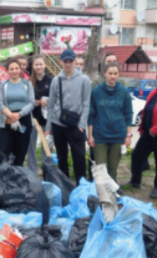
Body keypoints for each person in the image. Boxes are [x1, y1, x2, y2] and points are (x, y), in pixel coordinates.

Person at [127, 69, 157, 200]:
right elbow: (147, 111)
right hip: (148, 132)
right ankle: (135, 181)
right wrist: (142, 126)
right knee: (137, 155)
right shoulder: (154, 93)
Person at [46, 50, 92, 182]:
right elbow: (51, 104)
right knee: (61, 157)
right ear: (61, 62)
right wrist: (48, 127)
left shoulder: (84, 80)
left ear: (75, 61)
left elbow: (86, 104)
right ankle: (64, 185)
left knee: (79, 157)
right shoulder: (56, 80)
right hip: (58, 123)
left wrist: (82, 125)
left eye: (70, 61)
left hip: (76, 125)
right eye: (65, 61)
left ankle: (81, 185)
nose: (68, 64)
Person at [87, 62, 133, 182]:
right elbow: (91, 115)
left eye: (115, 73)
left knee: (112, 168)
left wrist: (128, 135)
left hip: (118, 136)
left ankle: (112, 194)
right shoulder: (96, 92)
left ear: (118, 75)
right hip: (100, 136)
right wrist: (90, 135)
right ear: (105, 74)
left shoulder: (124, 92)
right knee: (101, 168)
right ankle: (101, 193)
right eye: (110, 73)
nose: (113, 76)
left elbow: (129, 114)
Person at [0, 58, 35, 166]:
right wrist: (10, 115)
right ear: (7, 71)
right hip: (7, 120)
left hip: (24, 120)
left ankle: (17, 176)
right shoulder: (2, 85)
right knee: (3, 152)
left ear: (20, 70)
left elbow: (31, 103)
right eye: (11, 69)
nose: (14, 71)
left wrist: (19, 114)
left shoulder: (27, 84)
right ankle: (3, 177)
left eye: (17, 68)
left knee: (20, 152)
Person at [26, 57, 53, 173]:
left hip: (46, 120)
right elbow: (26, 99)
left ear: (45, 65)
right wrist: (34, 102)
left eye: (41, 64)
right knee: (30, 147)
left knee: (46, 147)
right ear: (33, 66)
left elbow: (56, 99)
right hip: (32, 119)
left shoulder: (51, 80)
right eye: (36, 65)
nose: (39, 67)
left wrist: (47, 102)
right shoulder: (29, 81)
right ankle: (32, 170)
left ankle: (47, 170)